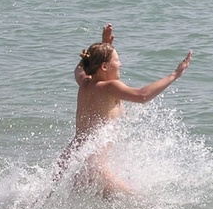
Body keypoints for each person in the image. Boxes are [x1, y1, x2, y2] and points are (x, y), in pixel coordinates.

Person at [59, 24, 192, 197]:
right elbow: (142, 96)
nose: (120, 63)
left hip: (71, 160)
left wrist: (103, 44)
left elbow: (79, 68)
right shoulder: (109, 87)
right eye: (117, 60)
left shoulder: (84, 82)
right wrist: (174, 75)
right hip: (96, 167)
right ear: (105, 67)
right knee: (142, 203)